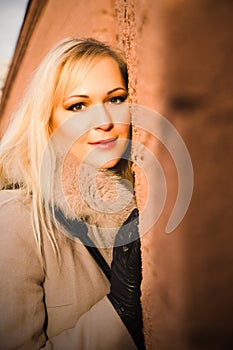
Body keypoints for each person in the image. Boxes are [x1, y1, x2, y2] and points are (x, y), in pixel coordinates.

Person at [0, 38, 145, 349]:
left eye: (116, 99)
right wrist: (119, 311)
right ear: (48, 122)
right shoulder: (14, 221)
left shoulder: (141, 196)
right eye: (78, 106)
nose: (104, 122)